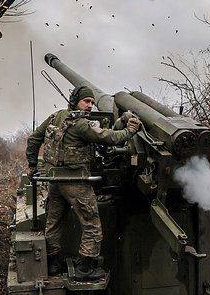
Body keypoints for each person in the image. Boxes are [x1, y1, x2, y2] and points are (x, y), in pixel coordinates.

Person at [26, 85, 141, 281]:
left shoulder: (56, 117)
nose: (90, 105)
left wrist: (32, 165)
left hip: (54, 180)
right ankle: (85, 267)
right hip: (76, 182)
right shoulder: (80, 125)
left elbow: (34, 138)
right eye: (86, 101)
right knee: (92, 224)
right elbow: (109, 138)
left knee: (54, 222)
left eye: (91, 102)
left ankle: (53, 262)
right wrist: (129, 131)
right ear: (75, 101)